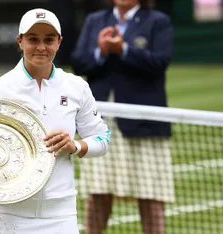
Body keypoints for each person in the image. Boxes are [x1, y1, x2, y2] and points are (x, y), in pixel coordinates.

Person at [0, 8, 110, 234]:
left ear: (59, 42)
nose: (41, 47)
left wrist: (75, 146)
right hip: (7, 213)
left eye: (49, 40)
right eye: (32, 39)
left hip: (61, 215)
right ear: (20, 41)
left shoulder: (77, 87)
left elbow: (102, 138)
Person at [71, 0, 174, 234]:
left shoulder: (158, 21)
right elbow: (78, 62)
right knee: (97, 192)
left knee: (151, 194)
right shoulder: (95, 21)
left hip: (144, 121)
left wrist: (124, 50)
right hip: (101, 121)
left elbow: (160, 62)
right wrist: (101, 51)